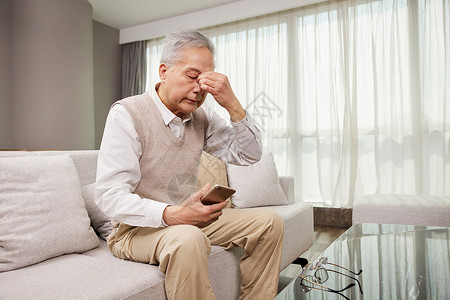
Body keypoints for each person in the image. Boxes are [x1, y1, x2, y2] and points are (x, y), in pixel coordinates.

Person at [96, 28, 284, 300]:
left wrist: (232, 104)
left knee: (269, 222)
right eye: (192, 76)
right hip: (134, 230)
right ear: (163, 71)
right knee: (188, 238)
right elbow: (109, 196)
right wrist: (172, 214)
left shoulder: (202, 118)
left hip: (188, 219)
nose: (199, 89)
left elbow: (249, 155)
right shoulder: (127, 114)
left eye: (206, 82)